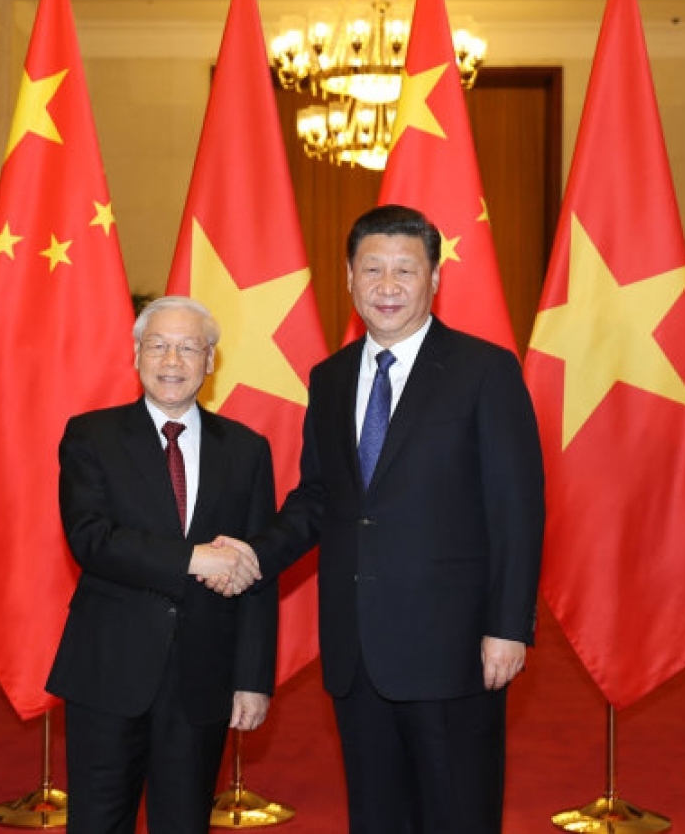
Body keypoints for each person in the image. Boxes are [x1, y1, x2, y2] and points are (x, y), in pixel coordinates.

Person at [213, 205, 545, 833]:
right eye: (373, 270)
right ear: (349, 277)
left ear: (434, 279)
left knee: (458, 815)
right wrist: (254, 554)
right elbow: (319, 498)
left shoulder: (485, 370)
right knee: (375, 816)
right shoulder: (330, 378)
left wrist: (508, 626)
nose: (387, 287)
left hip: (454, 648)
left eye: (405, 271)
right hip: (357, 649)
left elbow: (517, 507)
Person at [46, 295, 276, 834]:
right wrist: (194, 558)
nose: (172, 361)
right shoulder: (90, 436)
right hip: (108, 669)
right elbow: (91, 539)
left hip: (203, 676)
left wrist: (253, 678)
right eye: (158, 346)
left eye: (188, 348)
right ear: (136, 354)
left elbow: (257, 573)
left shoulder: (246, 449)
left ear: (211, 361)